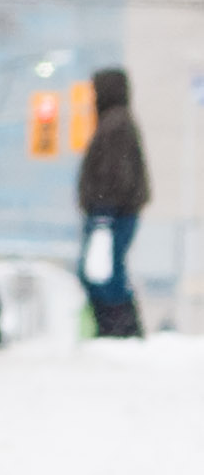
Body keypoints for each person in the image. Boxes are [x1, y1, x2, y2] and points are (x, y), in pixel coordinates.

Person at [76, 64, 153, 340]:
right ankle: (119, 325)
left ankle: (117, 327)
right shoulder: (117, 121)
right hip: (113, 209)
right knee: (106, 268)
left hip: (110, 212)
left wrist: (103, 209)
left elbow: (114, 172)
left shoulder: (115, 124)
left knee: (102, 269)